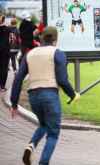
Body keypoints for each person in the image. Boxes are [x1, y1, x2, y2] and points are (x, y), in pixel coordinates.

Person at [10, 26, 80, 165]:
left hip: (33, 97)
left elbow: (18, 79)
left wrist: (14, 103)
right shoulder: (57, 53)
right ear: (55, 39)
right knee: (53, 133)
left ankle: (31, 146)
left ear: (41, 38)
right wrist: (72, 95)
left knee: (44, 124)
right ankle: (43, 162)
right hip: (49, 95)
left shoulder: (30, 53)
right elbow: (62, 80)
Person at [0, 14, 11, 92]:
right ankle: (2, 86)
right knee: (4, 68)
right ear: (4, 20)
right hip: (5, 50)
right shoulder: (8, 29)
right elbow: (11, 40)